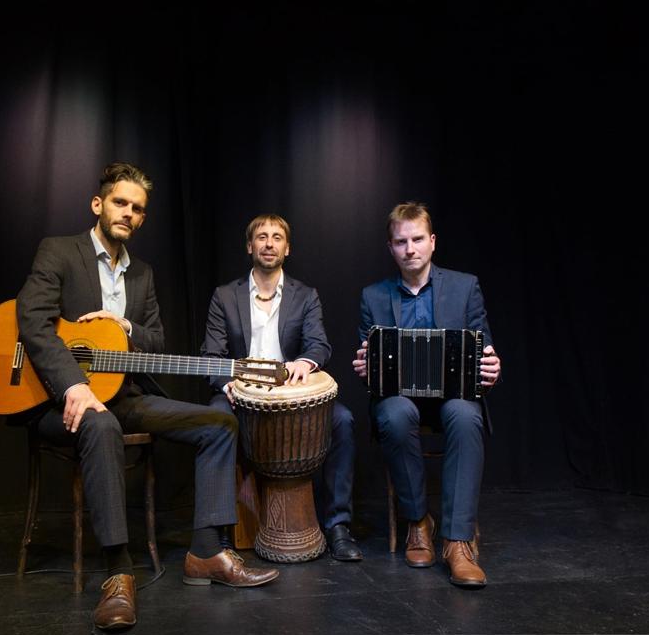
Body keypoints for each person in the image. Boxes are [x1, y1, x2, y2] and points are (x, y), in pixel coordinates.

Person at [16, 162, 278, 632]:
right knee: (101, 424)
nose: (129, 213)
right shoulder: (59, 251)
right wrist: (73, 384)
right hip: (58, 400)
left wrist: (125, 327)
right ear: (98, 204)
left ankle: (206, 553)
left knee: (220, 423)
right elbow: (33, 321)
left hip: (126, 396)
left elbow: (155, 340)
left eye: (137, 209)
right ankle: (118, 572)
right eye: (121, 202)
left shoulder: (142, 274)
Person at [352, 201, 501, 587]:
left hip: (454, 395)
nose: (410, 249)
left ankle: (457, 542)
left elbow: (482, 346)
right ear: (390, 248)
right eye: (401, 242)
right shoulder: (373, 296)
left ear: (432, 241)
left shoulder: (465, 286)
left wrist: (490, 368)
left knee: (465, 416)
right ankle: (418, 522)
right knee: (394, 414)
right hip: (399, 396)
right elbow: (369, 362)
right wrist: (366, 368)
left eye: (417, 239)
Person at [200, 214, 362, 561]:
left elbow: (319, 345)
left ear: (287, 248)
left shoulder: (305, 295)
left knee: (343, 421)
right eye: (262, 236)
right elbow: (211, 356)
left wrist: (305, 362)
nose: (269, 243)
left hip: (290, 396)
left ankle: (338, 526)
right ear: (250, 246)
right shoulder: (225, 296)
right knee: (215, 421)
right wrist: (228, 385)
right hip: (240, 397)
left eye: (277, 237)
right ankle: (221, 534)